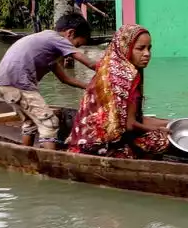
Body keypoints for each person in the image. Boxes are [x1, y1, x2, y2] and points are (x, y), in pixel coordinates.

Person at [0, 13, 99, 149]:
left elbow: (65, 79)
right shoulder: (56, 38)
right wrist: (110, 70)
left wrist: (90, 87)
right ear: (70, 33)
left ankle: (26, 155)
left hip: (3, 85)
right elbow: (89, 64)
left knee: (30, 123)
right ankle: (52, 165)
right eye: (76, 45)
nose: (74, 49)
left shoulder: (46, 44)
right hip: (19, 84)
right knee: (50, 123)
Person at [66, 24, 174, 158]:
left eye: (149, 48)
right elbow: (130, 125)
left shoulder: (109, 68)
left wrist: (171, 122)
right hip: (101, 147)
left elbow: (133, 118)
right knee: (161, 140)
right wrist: (159, 129)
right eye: (140, 48)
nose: (147, 54)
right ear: (126, 48)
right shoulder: (125, 77)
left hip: (83, 141)